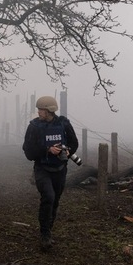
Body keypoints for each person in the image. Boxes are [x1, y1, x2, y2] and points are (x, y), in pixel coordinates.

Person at [22, 95, 79, 251]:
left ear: (49, 111)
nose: (39, 112)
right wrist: (47, 149)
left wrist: (67, 151)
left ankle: (49, 228)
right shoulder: (34, 127)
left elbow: (74, 143)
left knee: (55, 200)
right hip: (42, 169)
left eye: (41, 110)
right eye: (39, 109)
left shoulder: (63, 124)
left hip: (60, 169)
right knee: (48, 196)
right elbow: (28, 151)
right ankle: (45, 234)